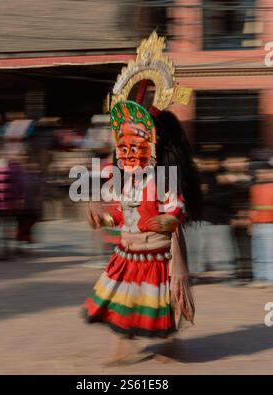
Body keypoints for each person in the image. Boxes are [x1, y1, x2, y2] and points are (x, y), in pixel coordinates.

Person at [82, 32, 202, 364]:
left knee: (162, 296)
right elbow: (109, 191)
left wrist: (167, 227)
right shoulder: (121, 165)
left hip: (160, 243)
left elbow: (173, 208)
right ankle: (123, 344)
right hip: (130, 246)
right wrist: (100, 209)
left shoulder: (163, 165)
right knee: (124, 295)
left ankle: (163, 340)